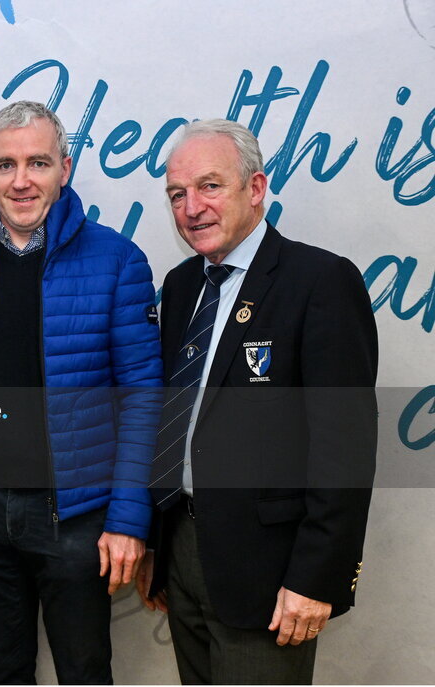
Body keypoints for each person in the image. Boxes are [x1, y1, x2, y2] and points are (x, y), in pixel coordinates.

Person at [0, 100, 164, 684]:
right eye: (5, 165)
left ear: (64, 167)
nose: (21, 180)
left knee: (85, 671)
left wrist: (130, 518)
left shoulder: (117, 260)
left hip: (77, 519)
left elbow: (143, 398)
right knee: (1, 671)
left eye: (37, 163)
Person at [137, 119, 378, 684]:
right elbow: (174, 423)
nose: (192, 207)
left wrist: (317, 579)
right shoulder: (179, 288)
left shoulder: (321, 282)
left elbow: (346, 450)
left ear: (256, 188)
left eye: (209, 186)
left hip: (272, 573)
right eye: (177, 194)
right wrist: (158, 546)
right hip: (184, 554)